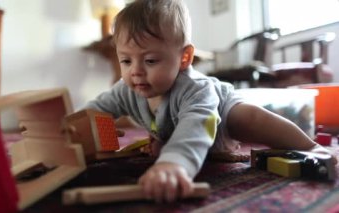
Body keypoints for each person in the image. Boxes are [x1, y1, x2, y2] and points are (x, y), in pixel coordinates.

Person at [83, 0, 336, 203]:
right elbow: (96, 110)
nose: (135, 71)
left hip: (221, 112)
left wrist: (174, 164)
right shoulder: (126, 89)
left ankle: (310, 145)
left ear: (184, 58)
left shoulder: (195, 90)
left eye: (150, 61)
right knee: (160, 145)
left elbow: (195, 126)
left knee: (248, 119)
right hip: (176, 128)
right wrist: (78, 130)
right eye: (126, 61)